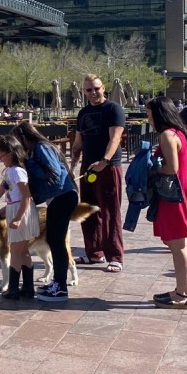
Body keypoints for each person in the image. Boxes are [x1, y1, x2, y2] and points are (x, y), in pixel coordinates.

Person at [12, 122, 79, 302]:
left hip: (63, 196)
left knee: (57, 242)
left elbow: (53, 173)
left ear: (24, 138)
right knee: (53, 240)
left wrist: (27, 161)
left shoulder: (41, 148)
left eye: (18, 142)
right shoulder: (39, 149)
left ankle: (60, 287)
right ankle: (58, 282)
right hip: (58, 198)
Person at [146, 97, 187, 309]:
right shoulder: (177, 133)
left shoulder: (167, 135)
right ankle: (182, 291)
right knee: (181, 244)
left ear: (158, 114)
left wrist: (150, 168)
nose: (148, 118)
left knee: (178, 245)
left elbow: (171, 169)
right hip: (182, 192)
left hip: (173, 195)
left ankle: (181, 294)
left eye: (149, 113)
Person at [71, 73, 125, 272]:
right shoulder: (83, 113)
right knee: (88, 210)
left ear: (104, 88)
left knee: (110, 211)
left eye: (96, 88)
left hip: (108, 167)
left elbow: (115, 138)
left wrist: (105, 160)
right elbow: (77, 144)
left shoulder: (113, 109)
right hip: (88, 168)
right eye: (89, 90)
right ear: (84, 92)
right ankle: (94, 253)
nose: (93, 93)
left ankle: (115, 256)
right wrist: (71, 168)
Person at [0, 135, 40, 299]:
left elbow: (26, 196)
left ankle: (14, 288)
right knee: (23, 252)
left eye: (1, 155)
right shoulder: (10, 173)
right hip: (16, 209)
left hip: (21, 211)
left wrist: (18, 218)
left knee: (15, 252)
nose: (0, 159)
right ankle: (28, 288)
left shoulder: (16, 172)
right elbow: (0, 191)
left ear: (11, 153)